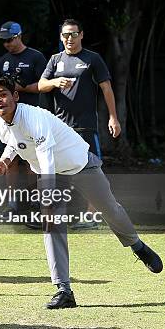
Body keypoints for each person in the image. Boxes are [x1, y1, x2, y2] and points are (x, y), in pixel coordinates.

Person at [0, 76, 163, 309]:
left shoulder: (34, 117)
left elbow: (45, 153)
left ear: (15, 96)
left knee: (110, 210)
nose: (0, 100)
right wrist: (4, 161)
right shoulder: (0, 124)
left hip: (80, 165)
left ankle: (137, 245)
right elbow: (15, 142)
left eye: (4, 94)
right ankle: (63, 289)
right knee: (52, 225)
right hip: (52, 175)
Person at [38, 18, 121, 229]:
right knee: (56, 172)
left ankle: (90, 217)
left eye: (74, 34)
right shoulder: (55, 60)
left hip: (86, 127)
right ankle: (53, 215)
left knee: (91, 173)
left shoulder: (93, 59)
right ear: (61, 37)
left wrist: (113, 117)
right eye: (65, 34)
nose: (69, 38)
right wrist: (55, 82)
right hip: (60, 129)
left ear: (81, 35)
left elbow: (107, 88)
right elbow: (40, 85)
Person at [0, 21, 47, 221]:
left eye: (9, 40)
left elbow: (45, 84)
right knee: (10, 159)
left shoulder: (35, 56)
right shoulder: (2, 61)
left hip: (31, 116)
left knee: (31, 160)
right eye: (4, 41)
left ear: (19, 36)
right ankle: (12, 203)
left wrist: (22, 88)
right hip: (8, 119)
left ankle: (34, 200)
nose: (7, 44)